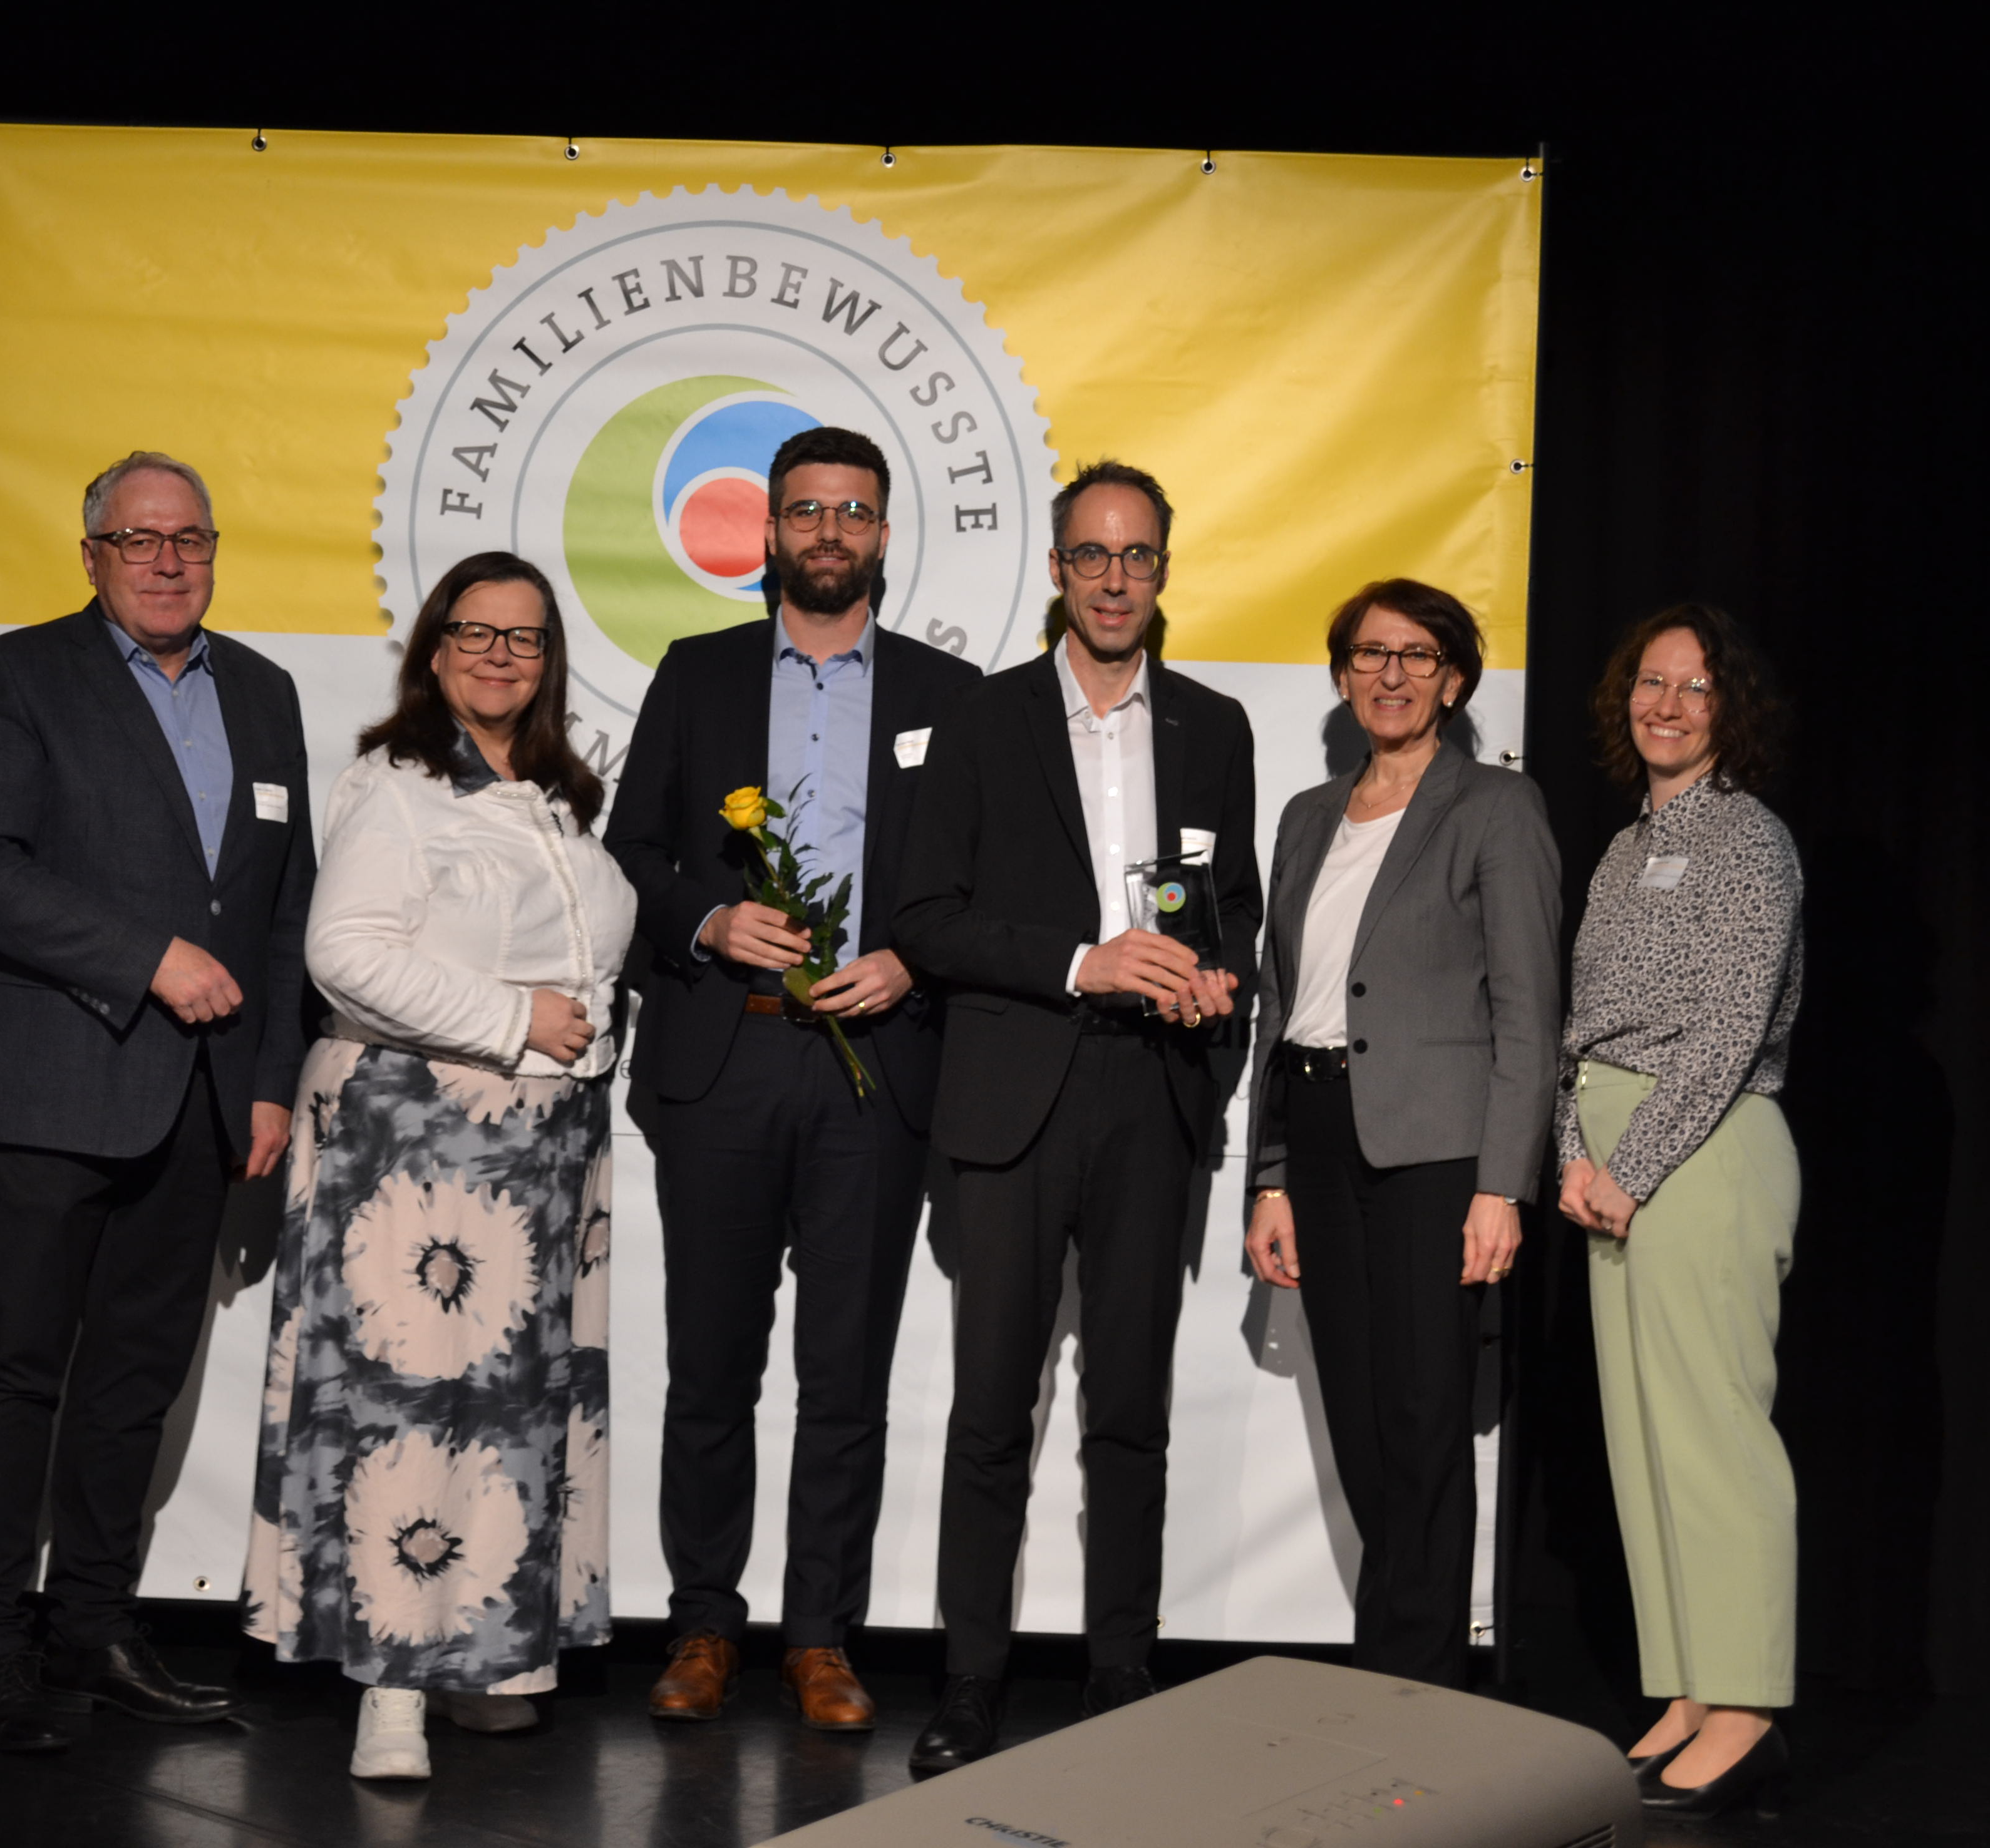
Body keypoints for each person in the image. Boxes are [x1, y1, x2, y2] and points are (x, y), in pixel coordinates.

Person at [0, 451, 315, 1752]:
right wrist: (145, 958)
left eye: (188, 538)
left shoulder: (262, 692)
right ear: (92, 554)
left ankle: (91, 1629)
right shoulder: (16, 675)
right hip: (52, 1085)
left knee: (134, 1383)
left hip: (204, 1104)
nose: (166, 561)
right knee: (17, 1375)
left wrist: (271, 1083)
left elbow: (283, 908)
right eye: (139, 540)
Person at [604, 426, 981, 1732]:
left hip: (877, 1064)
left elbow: (981, 884)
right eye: (807, 511)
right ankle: (704, 1624)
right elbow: (630, 853)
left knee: (845, 1375)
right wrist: (710, 920)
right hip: (725, 1055)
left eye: (853, 512)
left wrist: (913, 961)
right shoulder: (697, 673)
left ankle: (821, 1638)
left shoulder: (951, 693)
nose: (830, 532)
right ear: (766, 533)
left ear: (885, 535)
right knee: (711, 1366)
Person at [890, 459, 1261, 1773]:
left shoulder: (1213, 726)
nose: (1116, 578)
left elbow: (1235, 915)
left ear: (1163, 570)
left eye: (1138, 555)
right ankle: (969, 1684)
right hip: (1012, 1097)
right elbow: (925, 921)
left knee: (1130, 1411)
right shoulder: (980, 719)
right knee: (993, 1410)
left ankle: (1120, 1677)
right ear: (1057, 570)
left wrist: (1216, 985)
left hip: (1149, 1096)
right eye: (1093, 555)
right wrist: (1079, 963)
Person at [244, 552, 634, 1782]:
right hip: (417, 1139)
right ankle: (392, 1690)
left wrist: (576, 1034)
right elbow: (344, 953)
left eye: (525, 637)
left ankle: (485, 1662)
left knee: (510, 1420)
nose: (500, 656)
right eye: (476, 632)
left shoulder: (559, 791)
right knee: (407, 1414)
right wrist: (514, 1019)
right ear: (433, 647)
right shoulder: (400, 782)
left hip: (540, 1153)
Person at [1242, 580, 1561, 1690]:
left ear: (1454, 681)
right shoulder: (1305, 816)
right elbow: (1279, 1004)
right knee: (1362, 1415)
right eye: (1371, 655)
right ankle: (1397, 1660)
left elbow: (1528, 1011)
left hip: (1437, 1151)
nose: (1391, 675)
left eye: (1417, 656)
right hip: (1318, 1131)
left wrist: (1502, 1185)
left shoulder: (1496, 808)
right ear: (1342, 677)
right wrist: (1270, 1175)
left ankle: (1415, 1684)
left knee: (1424, 1415)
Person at [1555, 603, 1803, 1821]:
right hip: (1611, 1146)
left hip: (1701, 1149)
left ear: (1728, 708)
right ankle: (1691, 1689)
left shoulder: (1750, 841)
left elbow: (1727, 1030)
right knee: (1645, 1440)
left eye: (1695, 687)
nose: (1667, 704)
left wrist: (1634, 1163)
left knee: (1713, 1434)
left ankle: (1747, 1706)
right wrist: (1571, 1151)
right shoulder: (1624, 847)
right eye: (1651, 683)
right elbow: (1580, 1026)